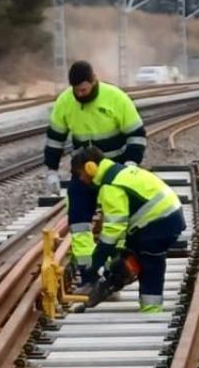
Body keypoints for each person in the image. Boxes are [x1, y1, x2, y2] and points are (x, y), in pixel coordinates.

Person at [43, 61, 147, 285]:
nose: (80, 94)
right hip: (83, 173)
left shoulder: (116, 98)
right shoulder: (65, 102)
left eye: (84, 89)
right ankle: (87, 273)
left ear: (93, 81)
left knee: (116, 219)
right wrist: (51, 169)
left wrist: (131, 163)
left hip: (114, 171)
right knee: (78, 220)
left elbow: (137, 134)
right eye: (76, 90)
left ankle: (115, 271)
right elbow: (55, 138)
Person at [70, 146, 184, 314]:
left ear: (90, 168)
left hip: (158, 223)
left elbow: (114, 229)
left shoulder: (111, 186)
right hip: (168, 218)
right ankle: (148, 305)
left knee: (150, 263)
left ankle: (151, 310)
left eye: (80, 173)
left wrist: (97, 260)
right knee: (135, 259)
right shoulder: (121, 172)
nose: (81, 179)